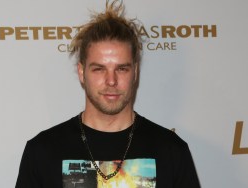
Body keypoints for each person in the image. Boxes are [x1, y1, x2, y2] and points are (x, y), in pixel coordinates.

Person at [15, 0, 201, 187]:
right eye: (99, 69)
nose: (111, 80)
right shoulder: (42, 151)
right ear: (81, 72)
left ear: (135, 72)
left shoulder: (171, 150)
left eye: (121, 69)